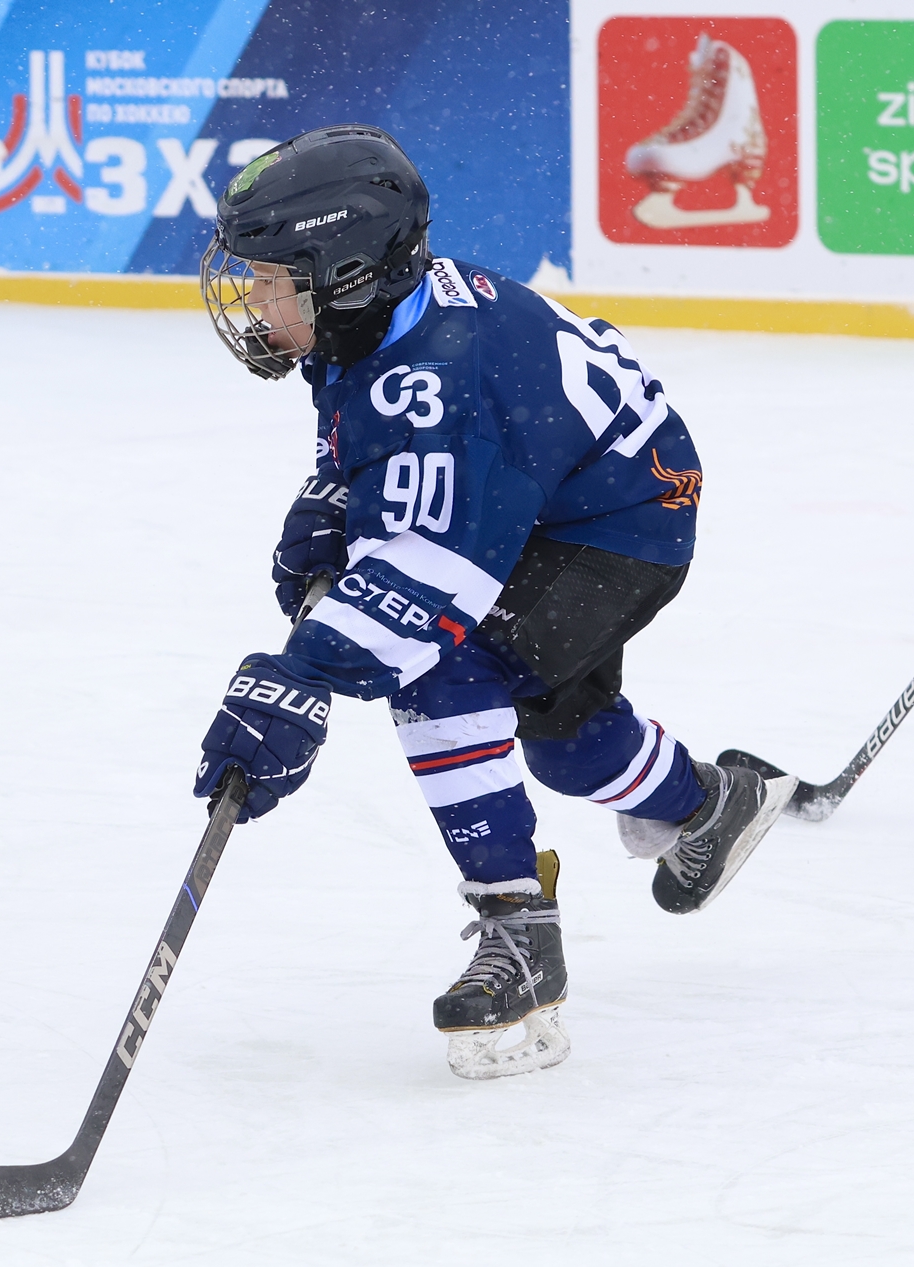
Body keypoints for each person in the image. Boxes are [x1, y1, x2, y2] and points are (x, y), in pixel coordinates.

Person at [191, 125, 796, 1079]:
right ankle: (711, 804)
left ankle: (518, 929)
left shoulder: (447, 382)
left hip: (619, 520)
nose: (257, 302)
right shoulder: (376, 312)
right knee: (568, 744)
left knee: (443, 665)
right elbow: (377, 434)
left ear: (344, 272)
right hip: (545, 486)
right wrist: (342, 493)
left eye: (276, 280)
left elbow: (432, 580)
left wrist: (300, 677)